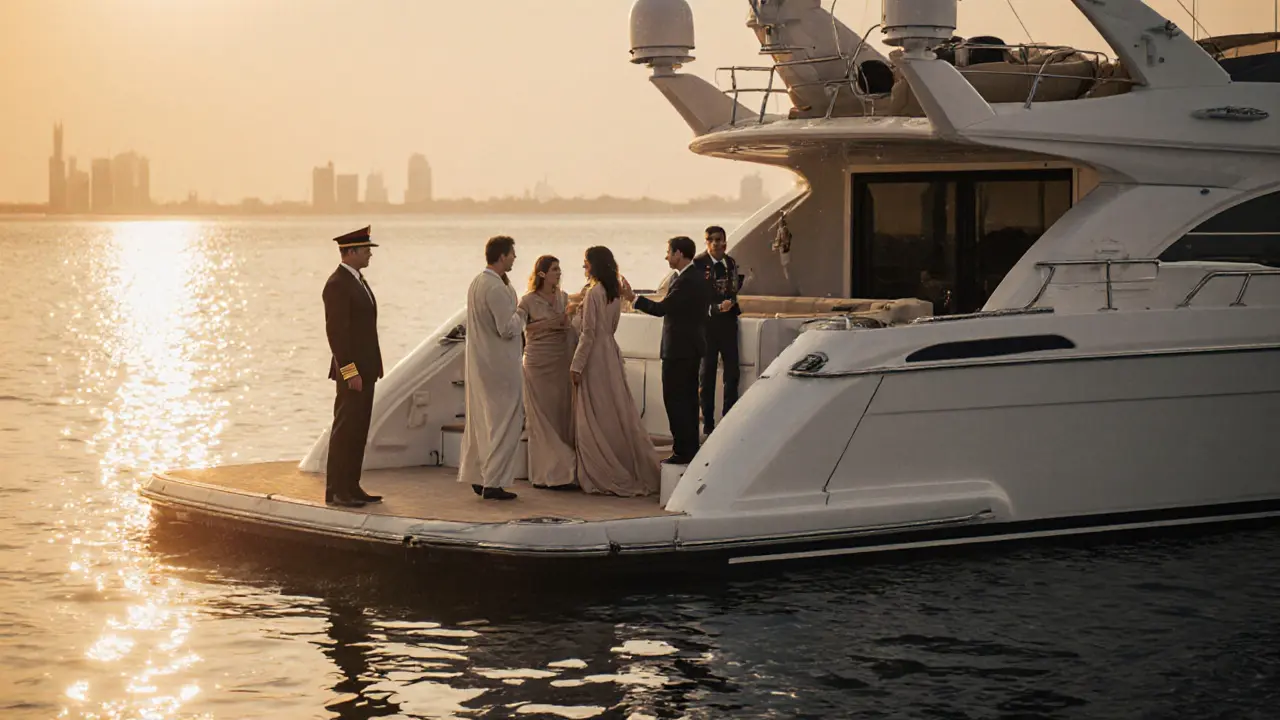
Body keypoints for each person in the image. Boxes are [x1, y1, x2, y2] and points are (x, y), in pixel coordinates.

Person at [570, 247, 661, 496]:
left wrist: (576, 365)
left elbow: (588, 333)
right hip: (610, 350)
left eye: (586, 263)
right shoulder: (613, 293)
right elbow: (610, 327)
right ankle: (627, 461)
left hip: (595, 357)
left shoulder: (594, 294)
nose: (584, 268)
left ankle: (603, 466)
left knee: (595, 412)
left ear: (595, 265)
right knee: (615, 409)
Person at [627, 236, 710, 465]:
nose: (666, 256)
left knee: (676, 400)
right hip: (691, 348)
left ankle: (683, 450)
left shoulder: (686, 281)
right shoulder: (693, 277)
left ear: (679, 254)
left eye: (669, 252)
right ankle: (688, 447)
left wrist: (632, 298)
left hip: (680, 350)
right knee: (689, 401)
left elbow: (662, 308)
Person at [459, 235, 527, 501]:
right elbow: (506, 328)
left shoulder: (478, 282)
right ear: (502, 256)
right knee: (505, 422)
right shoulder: (496, 288)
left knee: (482, 423)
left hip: (480, 363)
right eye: (512, 253)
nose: (514, 258)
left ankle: (479, 475)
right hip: (499, 365)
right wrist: (522, 313)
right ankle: (494, 481)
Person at [322, 225, 384, 508]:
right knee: (345, 429)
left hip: (367, 370)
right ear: (352, 251)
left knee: (358, 430)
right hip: (352, 373)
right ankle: (336, 490)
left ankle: (352, 485)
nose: (370, 255)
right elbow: (337, 334)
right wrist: (350, 371)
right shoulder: (337, 284)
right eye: (367, 250)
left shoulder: (359, 280)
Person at [518, 255, 578, 490]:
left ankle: (562, 472)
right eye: (554, 269)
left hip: (560, 360)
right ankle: (545, 474)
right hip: (537, 362)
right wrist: (554, 322)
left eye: (559, 269)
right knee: (540, 417)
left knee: (559, 414)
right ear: (542, 273)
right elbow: (523, 327)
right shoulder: (528, 300)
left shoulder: (563, 298)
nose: (558, 272)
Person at [692, 225, 741, 435]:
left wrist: (730, 302)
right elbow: (694, 299)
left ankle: (729, 417)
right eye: (711, 240)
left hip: (728, 323)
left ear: (725, 241)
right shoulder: (698, 264)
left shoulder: (730, 262)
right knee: (707, 373)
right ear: (706, 242)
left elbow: (733, 288)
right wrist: (715, 308)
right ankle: (708, 422)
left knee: (732, 373)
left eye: (719, 239)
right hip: (707, 325)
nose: (716, 243)